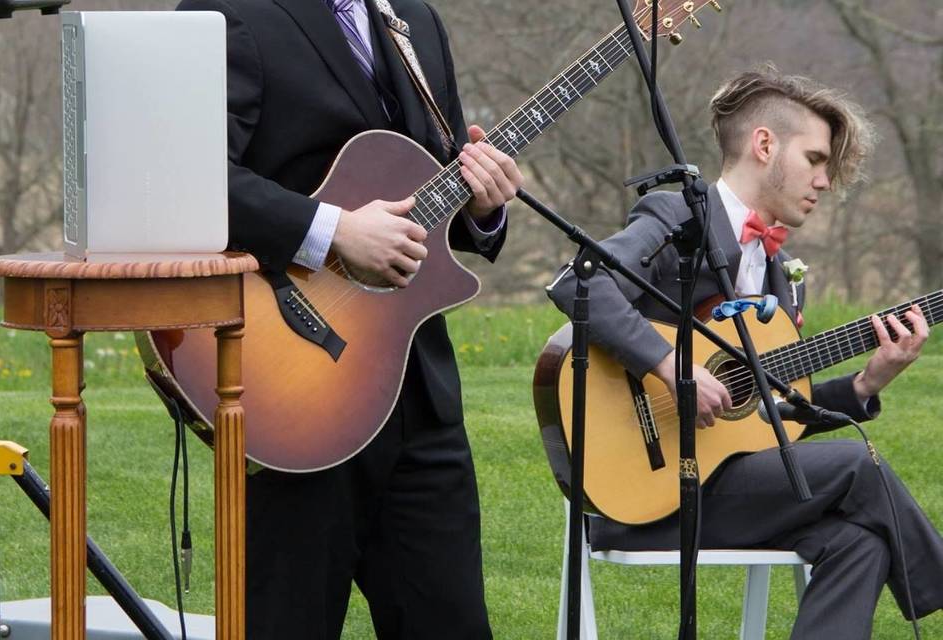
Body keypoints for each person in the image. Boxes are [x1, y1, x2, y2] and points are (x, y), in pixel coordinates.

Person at [547, 67, 943, 638]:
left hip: (727, 484)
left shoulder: (780, 272)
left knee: (857, 542)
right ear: (765, 144)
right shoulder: (677, 217)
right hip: (645, 489)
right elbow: (578, 283)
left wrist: (864, 386)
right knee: (858, 464)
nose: (826, 181)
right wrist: (670, 365)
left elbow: (768, 414)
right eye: (815, 160)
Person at [176, 0, 524, 637]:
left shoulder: (414, 18)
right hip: (292, 392)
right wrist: (330, 232)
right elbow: (187, 174)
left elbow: (426, 184)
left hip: (419, 396)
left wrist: (482, 208)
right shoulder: (229, 12)